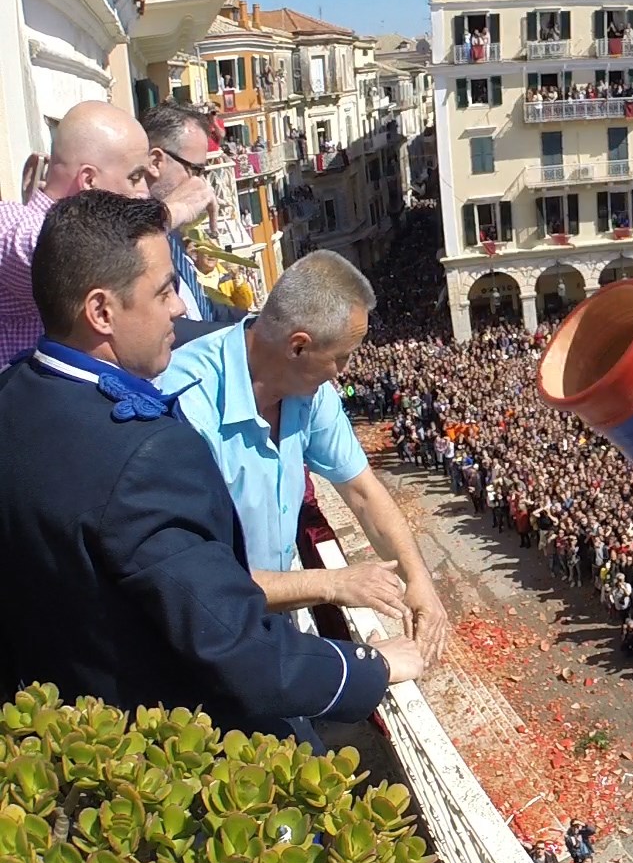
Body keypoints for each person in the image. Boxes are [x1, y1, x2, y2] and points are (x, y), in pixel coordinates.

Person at [0, 191, 421, 742]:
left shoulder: (12, 394)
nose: (180, 308)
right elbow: (233, 641)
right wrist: (373, 666)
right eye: (165, 290)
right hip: (152, 735)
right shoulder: (150, 453)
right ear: (102, 311)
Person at [159, 252, 450, 663]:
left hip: (266, 617)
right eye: (342, 356)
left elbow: (363, 492)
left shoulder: (308, 393)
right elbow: (203, 582)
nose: (342, 373)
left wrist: (418, 578)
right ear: (298, 347)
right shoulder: (187, 409)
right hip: (206, 634)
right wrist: (332, 584)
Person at [1, 102, 210, 358]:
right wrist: (168, 212)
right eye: (135, 177)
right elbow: (56, 247)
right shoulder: (11, 224)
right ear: (89, 180)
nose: (144, 190)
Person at [136, 103, 245, 323]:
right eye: (195, 170)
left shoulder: (173, 231)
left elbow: (202, 308)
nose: (200, 183)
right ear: (155, 161)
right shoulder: (136, 229)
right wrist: (166, 215)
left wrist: (260, 325)